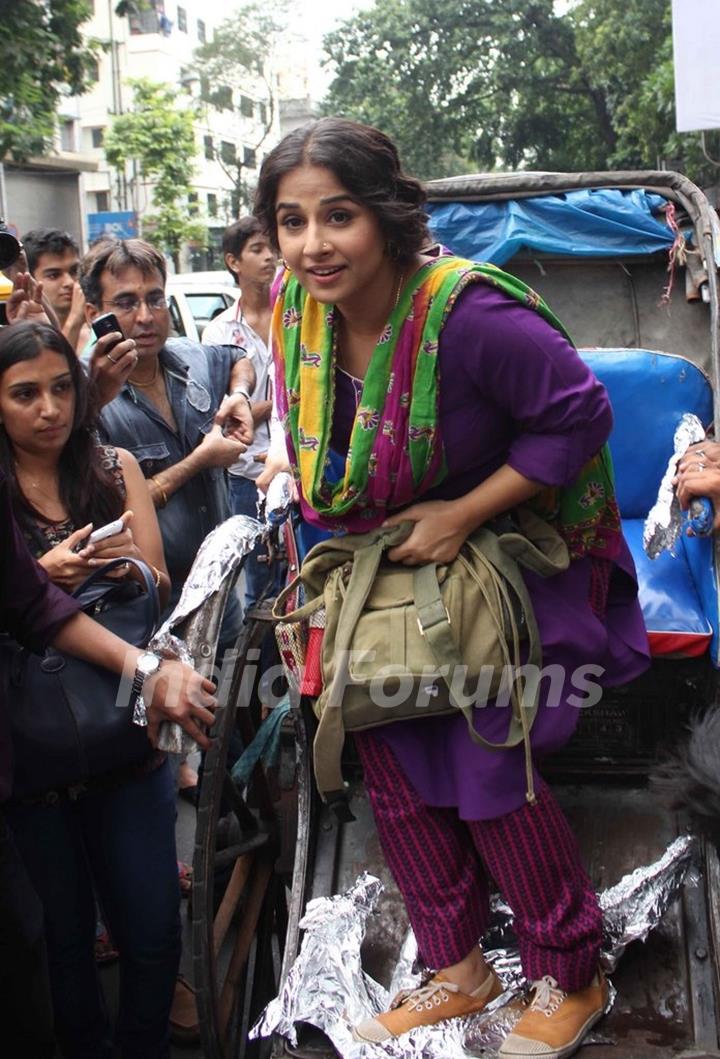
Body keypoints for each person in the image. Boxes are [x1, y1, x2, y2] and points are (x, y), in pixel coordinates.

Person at [254, 117, 650, 1059]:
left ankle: (572, 971)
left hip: (503, 566)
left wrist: (464, 511)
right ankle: (458, 966)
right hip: (379, 581)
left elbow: (578, 417)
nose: (314, 245)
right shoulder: (296, 311)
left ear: (385, 217)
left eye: (337, 216)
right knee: (387, 769)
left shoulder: (469, 314)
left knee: (486, 775)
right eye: (292, 221)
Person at [0, 320, 214, 1058]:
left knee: (153, 930)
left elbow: (158, 587)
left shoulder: (112, 465)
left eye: (62, 387)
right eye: (24, 394)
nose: (48, 409)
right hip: (32, 753)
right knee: (62, 944)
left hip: (126, 727)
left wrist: (115, 566)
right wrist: (42, 579)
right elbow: (24, 610)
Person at [79, 237, 256, 798]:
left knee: (241, 716)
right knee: (173, 740)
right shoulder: (88, 406)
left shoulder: (191, 358)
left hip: (228, 592)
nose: (146, 316)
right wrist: (200, 461)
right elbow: (118, 512)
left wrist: (240, 398)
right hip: (158, 611)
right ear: (95, 313)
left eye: (155, 299)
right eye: (127, 302)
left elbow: (240, 360)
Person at [202, 217, 278, 609]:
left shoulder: (298, 317)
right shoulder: (218, 333)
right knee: (258, 586)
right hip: (245, 475)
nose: (270, 257)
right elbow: (226, 415)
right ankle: (264, 669)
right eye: (257, 250)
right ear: (234, 262)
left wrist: (254, 409)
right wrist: (270, 406)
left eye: (271, 248)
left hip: (297, 468)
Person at [22, 228, 90, 353]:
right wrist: (74, 321)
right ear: (31, 281)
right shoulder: (22, 338)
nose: (69, 282)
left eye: (74, 271)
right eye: (54, 275)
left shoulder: (97, 331)